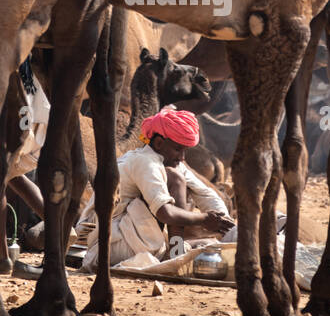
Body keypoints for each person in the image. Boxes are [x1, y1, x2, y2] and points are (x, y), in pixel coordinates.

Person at [80, 105, 233, 271]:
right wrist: (204, 219)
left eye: (185, 151)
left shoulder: (170, 162)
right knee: (175, 180)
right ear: (159, 143)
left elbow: (205, 194)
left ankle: (176, 253)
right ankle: (176, 256)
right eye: (178, 149)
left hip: (133, 239)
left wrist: (226, 225)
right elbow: (165, 213)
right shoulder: (145, 161)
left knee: (208, 244)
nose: (182, 157)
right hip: (109, 245)